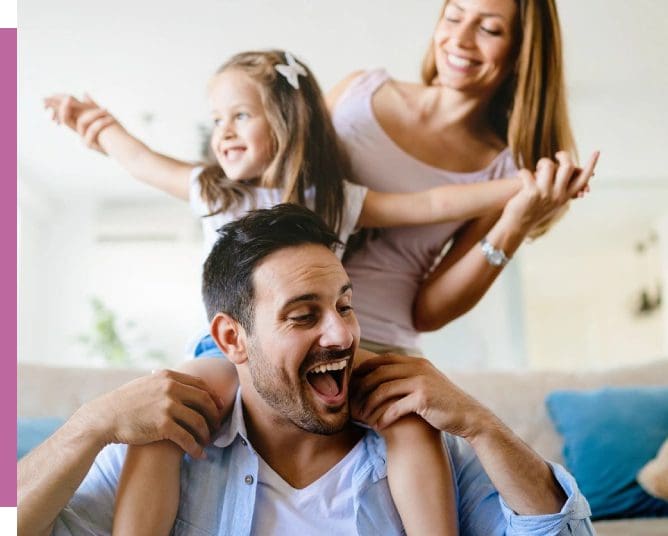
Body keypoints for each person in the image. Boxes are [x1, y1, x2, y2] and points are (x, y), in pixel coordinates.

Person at [43, 48, 550, 536]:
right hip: (221, 353)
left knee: (410, 418)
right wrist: (99, 128)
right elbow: (141, 160)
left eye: (240, 116)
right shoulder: (213, 188)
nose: (224, 133)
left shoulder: (336, 198)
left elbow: (432, 202)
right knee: (165, 421)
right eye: (217, 120)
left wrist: (522, 189)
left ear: (285, 120)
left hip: (319, 355)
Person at [18, 204, 595, 535]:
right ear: (231, 338)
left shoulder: (421, 439)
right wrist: (87, 425)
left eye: (345, 305)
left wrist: (480, 424)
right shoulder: (165, 438)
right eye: (303, 316)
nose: (343, 333)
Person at [327, 0, 599, 353]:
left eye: (489, 29)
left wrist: (513, 225)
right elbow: (278, 182)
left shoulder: (505, 171)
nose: (460, 39)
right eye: (453, 16)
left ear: (522, 50)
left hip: (374, 343)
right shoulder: (356, 91)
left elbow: (427, 313)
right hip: (278, 325)